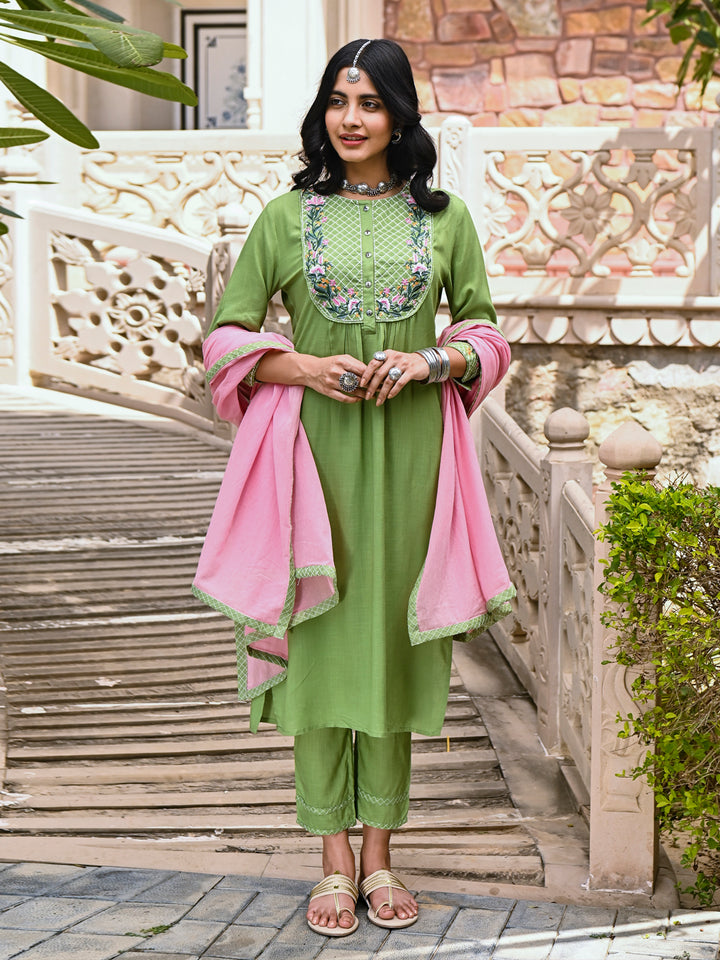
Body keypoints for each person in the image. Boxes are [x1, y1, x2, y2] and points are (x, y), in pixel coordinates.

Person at [193, 38, 515, 938]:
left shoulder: (444, 221)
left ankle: (380, 853)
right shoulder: (285, 218)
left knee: (391, 648)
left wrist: (426, 358)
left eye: (371, 103)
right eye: (339, 100)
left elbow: (486, 330)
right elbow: (226, 336)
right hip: (311, 460)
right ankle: (330, 854)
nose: (351, 118)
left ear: (400, 116)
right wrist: (296, 365)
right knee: (323, 646)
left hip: (411, 457)